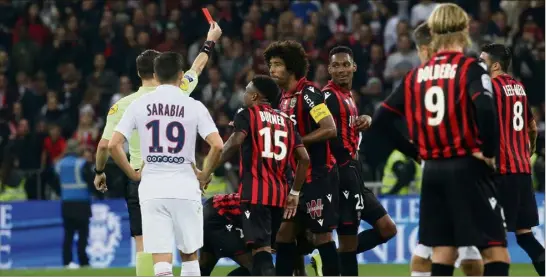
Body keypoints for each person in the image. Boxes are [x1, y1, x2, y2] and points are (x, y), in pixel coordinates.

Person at [373, 4, 510, 276]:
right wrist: (490, 153)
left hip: (433, 172)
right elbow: (484, 109)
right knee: (495, 250)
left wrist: (415, 151)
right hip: (466, 167)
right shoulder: (471, 68)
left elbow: (380, 119)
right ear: (465, 29)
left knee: (443, 252)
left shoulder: (415, 75)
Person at [93, 22, 222, 276]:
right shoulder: (187, 96)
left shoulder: (130, 105)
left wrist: (119, 173)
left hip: (147, 180)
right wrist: (210, 40)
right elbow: (217, 144)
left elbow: (108, 145)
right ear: (175, 73)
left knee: (152, 251)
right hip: (185, 181)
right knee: (189, 256)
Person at [207, 75, 310, 275]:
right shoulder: (287, 121)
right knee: (267, 252)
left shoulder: (247, 114)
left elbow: (235, 142)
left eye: (246, 91)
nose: (243, 95)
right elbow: (304, 159)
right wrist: (295, 192)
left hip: (255, 195)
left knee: (261, 252)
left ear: (254, 96)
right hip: (280, 197)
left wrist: (209, 169)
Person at [409, 22, 484, 277]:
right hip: (457, 170)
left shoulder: (423, 77)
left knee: (440, 250)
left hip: (447, 171)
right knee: (452, 250)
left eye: (421, 50)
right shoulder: (463, 70)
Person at [263, 40, 340, 276]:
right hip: (295, 180)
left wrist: (296, 141)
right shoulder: (282, 98)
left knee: (322, 235)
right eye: (271, 65)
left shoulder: (309, 94)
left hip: (318, 175)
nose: (272, 70)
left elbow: (330, 128)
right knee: (283, 235)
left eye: (277, 65)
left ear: (292, 68)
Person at [320, 45, 397, 276]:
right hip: (340, 174)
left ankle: (326, 259)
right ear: (329, 69)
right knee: (348, 242)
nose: (341, 69)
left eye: (345, 64)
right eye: (336, 65)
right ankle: (327, 259)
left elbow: (348, 129)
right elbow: (321, 131)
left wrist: (364, 118)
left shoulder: (349, 97)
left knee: (387, 229)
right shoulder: (327, 97)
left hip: (355, 175)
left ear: (354, 66)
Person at [480, 43, 544, 276]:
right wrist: (530, 152)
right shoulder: (519, 87)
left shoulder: (490, 88)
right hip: (522, 171)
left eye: (482, 59)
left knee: (490, 240)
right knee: (525, 236)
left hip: (501, 173)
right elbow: (532, 127)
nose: (479, 64)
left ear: (495, 64)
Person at [199, 193, 310, 276]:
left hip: (213, 210)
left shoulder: (292, 230)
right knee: (257, 266)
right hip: (219, 213)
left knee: (204, 267)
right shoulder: (286, 224)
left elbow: (300, 271)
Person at [55, 139, 95, 269]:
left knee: (68, 234)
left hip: (66, 203)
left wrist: (60, 192)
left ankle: (67, 262)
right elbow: (91, 181)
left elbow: (49, 177)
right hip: (81, 202)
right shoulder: (82, 164)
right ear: (77, 149)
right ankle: (83, 261)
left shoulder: (59, 164)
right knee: (83, 234)